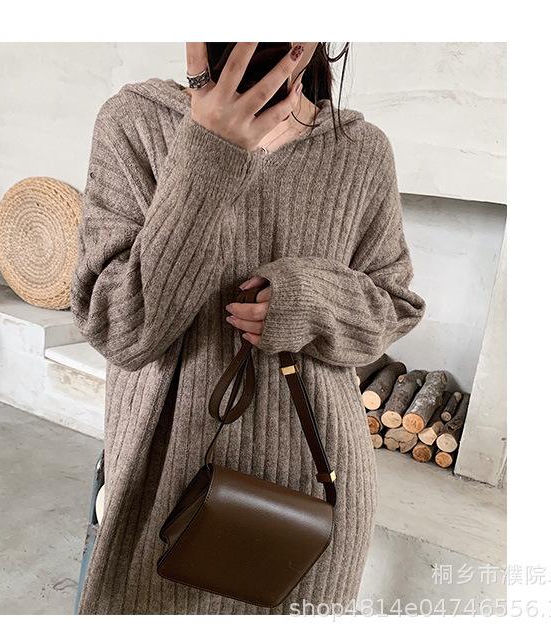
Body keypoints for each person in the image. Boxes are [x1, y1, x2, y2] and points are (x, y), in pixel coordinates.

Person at [71, 42, 425, 614]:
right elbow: (120, 330)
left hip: (312, 490)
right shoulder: (136, 121)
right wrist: (208, 154)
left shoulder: (359, 151)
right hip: (162, 480)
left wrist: (310, 299)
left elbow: (395, 305)